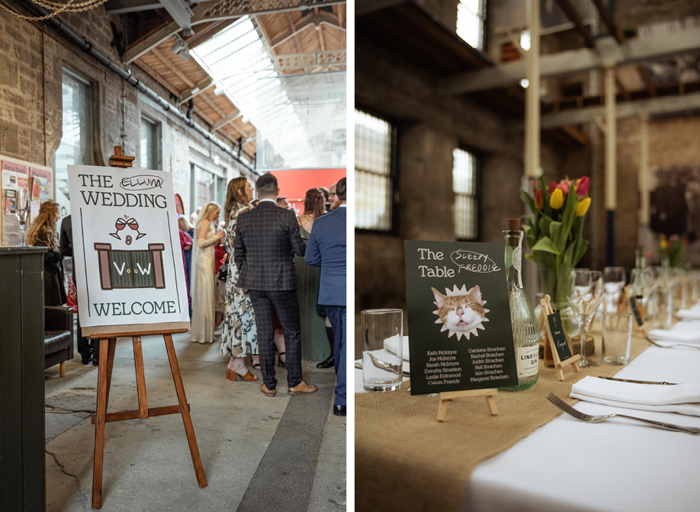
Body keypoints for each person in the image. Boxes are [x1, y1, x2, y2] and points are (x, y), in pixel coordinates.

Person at [234, 173, 317, 397]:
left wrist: (250, 273)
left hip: (256, 284)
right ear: (277, 191)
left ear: (258, 193)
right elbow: (300, 250)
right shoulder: (287, 216)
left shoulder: (245, 218)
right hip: (282, 282)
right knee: (291, 332)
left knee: (264, 333)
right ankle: (295, 382)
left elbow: (238, 255)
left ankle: (269, 385)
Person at [305, 177, 347, 416]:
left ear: (339, 195)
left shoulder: (322, 223)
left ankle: (341, 399)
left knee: (341, 343)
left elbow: (311, 258)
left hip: (331, 290)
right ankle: (342, 397)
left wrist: (331, 265)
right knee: (347, 344)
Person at [220, 177, 259, 382]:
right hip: (244, 269)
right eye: (249, 187)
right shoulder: (246, 212)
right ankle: (238, 364)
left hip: (235, 268)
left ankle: (234, 363)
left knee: (235, 312)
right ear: (241, 191)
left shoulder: (232, 212)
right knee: (243, 316)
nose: (253, 189)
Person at [295, 189, 330, 367]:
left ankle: (303, 350)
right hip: (320, 264)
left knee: (301, 305)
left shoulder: (298, 220)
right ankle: (322, 351)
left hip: (300, 263)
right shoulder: (324, 221)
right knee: (319, 305)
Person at [59, 213, 98, 365]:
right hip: (98, 270)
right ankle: (97, 353)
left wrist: (75, 251)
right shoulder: (96, 215)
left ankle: (84, 354)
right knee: (98, 311)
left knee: (83, 312)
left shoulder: (67, 220)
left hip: (79, 271)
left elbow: (63, 250)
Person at [190, 202, 224, 344]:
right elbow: (201, 243)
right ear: (210, 212)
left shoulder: (207, 222)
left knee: (206, 294)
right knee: (205, 294)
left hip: (207, 259)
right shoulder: (204, 222)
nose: (218, 215)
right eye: (216, 213)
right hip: (204, 260)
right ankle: (203, 333)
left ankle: (205, 331)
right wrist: (217, 237)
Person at [27, 200, 66, 306]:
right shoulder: (44, 231)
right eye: (57, 213)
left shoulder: (40, 230)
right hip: (49, 278)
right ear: (51, 214)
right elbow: (45, 256)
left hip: (48, 276)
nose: (59, 216)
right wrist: (59, 254)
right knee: (52, 311)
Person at [178, 215, 193, 313]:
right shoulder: (182, 233)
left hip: (183, 258)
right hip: (184, 258)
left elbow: (188, 244)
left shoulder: (181, 233)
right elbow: (188, 244)